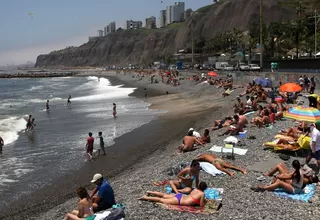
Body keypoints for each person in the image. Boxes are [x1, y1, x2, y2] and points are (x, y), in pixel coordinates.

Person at [139, 182, 208, 207]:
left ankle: (150, 192)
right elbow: (201, 205)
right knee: (161, 200)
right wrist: (205, 202)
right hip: (179, 201)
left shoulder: (195, 190)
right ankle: (145, 197)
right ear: (204, 189)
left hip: (180, 196)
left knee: (163, 195)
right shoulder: (202, 194)